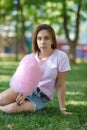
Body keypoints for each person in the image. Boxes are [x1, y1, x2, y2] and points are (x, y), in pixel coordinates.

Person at [0, 24, 71, 114]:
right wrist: (24, 93)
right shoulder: (30, 58)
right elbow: (23, 80)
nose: (42, 41)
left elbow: (60, 85)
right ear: (36, 41)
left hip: (41, 97)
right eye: (39, 38)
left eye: (46, 38)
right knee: (1, 100)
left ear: (52, 40)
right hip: (24, 91)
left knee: (10, 109)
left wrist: (63, 109)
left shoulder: (60, 57)